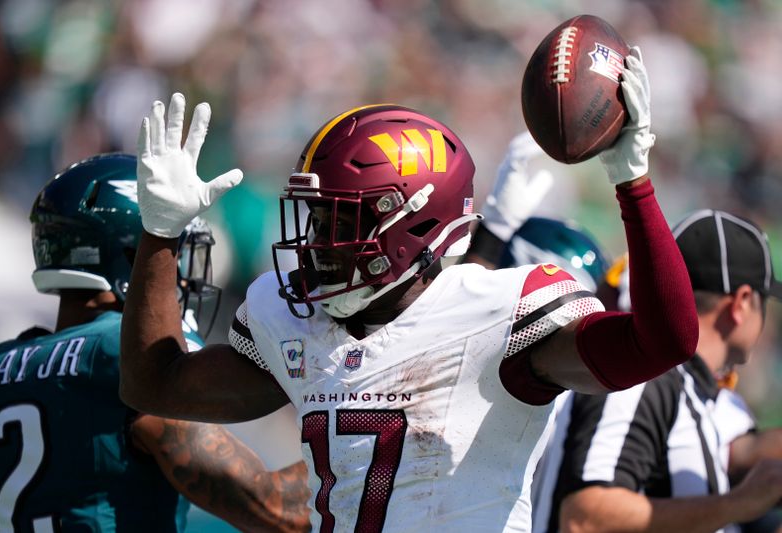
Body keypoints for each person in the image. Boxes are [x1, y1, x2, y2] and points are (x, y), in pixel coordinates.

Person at [120, 47, 699, 532]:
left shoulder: (502, 315)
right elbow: (153, 384)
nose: (318, 242)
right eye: (316, 219)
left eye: (340, 223)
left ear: (414, 225)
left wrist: (633, 184)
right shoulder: (292, 321)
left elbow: (663, 341)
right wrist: (160, 232)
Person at [0, 154, 310, 533]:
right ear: (130, 259)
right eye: (174, 256)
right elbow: (276, 510)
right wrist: (382, 424)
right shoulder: (115, 354)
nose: (183, 279)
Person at [531, 209, 782, 533]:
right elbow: (586, 517)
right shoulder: (649, 374)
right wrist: (738, 504)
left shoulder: (683, 385)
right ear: (742, 303)